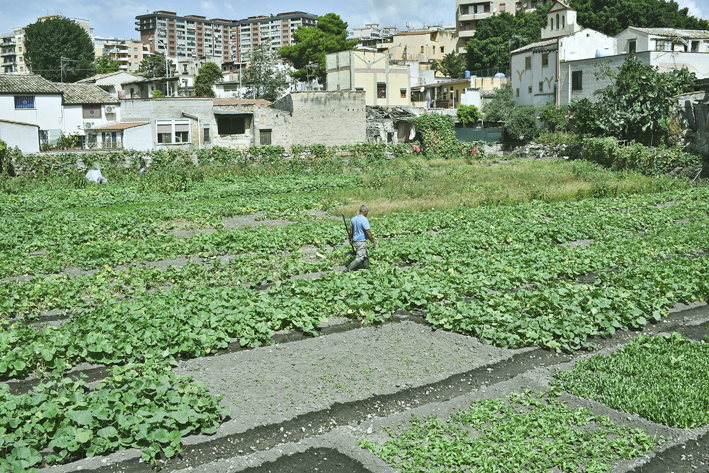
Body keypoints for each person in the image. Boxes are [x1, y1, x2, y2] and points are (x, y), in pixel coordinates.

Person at [345, 205, 376, 272]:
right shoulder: (364, 219)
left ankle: (367, 269)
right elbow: (367, 231)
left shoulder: (354, 219)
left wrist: (351, 238)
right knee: (360, 257)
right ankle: (347, 270)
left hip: (356, 240)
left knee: (365, 255)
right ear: (365, 211)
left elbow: (351, 231)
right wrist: (372, 241)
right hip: (361, 241)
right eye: (367, 212)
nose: (367, 213)